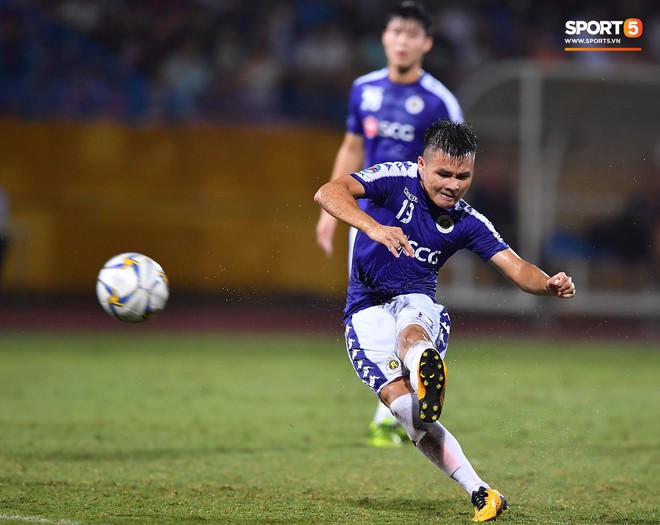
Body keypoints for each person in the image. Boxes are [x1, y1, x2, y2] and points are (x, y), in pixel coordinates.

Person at [314, 120, 576, 522]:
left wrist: (550, 283)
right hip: (364, 309)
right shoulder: (394, 178)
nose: (453, 184)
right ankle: (482, 492)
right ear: (421, 164)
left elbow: (517, 268)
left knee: (412, 331)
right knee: (409, 416)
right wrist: (375, 227)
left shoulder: (467, 221)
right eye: (444, 173)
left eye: (463, 175)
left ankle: (422, 363)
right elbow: (328, 191)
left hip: (417, 300)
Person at [315, 0, 463, 448]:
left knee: (407, 305)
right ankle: (394, 403)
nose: (402, 41)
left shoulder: (440, 101)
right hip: (365, 220)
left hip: (414, 220)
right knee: (368, 309)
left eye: (412, 35)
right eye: (396, 33)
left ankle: (391, 410)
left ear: (426, 43)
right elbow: (351, 148)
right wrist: (327, 216)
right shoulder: (364, 89)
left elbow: (453, 165)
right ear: (384, 37)